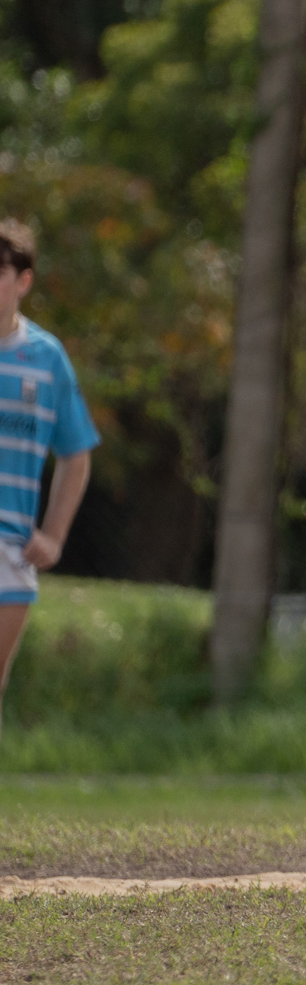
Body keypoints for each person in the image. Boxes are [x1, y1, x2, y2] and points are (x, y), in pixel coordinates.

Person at [0, 220, 99, 739]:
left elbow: (76, 453)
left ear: (23, 282)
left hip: (11, 549)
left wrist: (55, 535)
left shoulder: (46, 359)